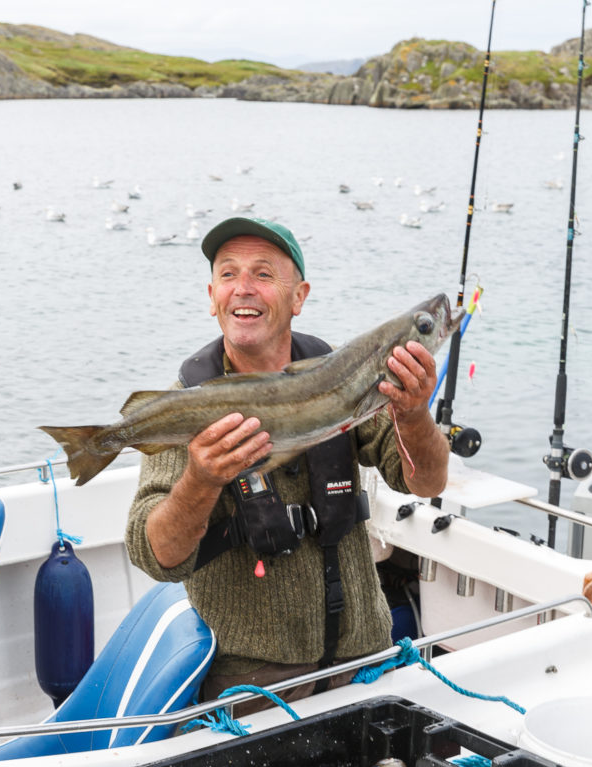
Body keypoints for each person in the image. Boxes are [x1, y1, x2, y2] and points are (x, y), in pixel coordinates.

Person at [125, 216, 449, 708]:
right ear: (211, 295)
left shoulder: (346, 373)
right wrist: (200, 479)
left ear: (299, 296)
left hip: (369, 665)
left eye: (263, 274)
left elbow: (426, 481)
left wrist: (414, 414)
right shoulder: (188, 407)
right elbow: (156, 555)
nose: (243, 289)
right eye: (229, 274)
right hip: (254, 688)